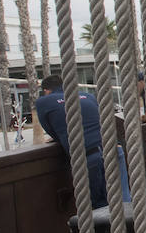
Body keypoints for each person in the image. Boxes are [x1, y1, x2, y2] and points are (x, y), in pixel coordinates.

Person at [35, 74, 130, 208]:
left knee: (100, 208)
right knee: (124, 202)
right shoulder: (87, 96)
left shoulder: (43, 102)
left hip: (90, 157)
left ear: (46, 90)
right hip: (114, 149)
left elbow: (51, 130)